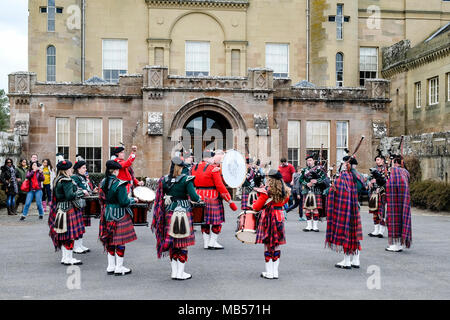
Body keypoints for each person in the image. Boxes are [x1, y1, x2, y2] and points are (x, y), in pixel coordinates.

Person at [152, 157, 204, 280]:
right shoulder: (186, 180)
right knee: (183, 244)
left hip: (169, 211)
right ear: (181, 167)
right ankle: (181, 273)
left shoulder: (164, 180)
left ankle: (174, 272)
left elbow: (160, 197)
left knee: (173, 244)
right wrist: (198, 197)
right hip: (184, 212)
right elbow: (194, 197)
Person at [191, 150, 238, 250]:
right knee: (216, 222)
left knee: (204, 221)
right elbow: (220, 186)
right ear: (210, 158)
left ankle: (206, 243)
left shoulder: (193, 168)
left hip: (199, 196)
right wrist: (230, 201)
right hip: (212, 197)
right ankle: (212, 243)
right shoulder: (213, 169)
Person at [99, 160, 138, 276]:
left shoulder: (103, 182)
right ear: (116, 171)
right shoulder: (120, 184)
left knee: (110, 240)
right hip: (120, 214)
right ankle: (119, 267)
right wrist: (133, 200)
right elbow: (124, 202)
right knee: (120, 241)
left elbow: (101, 198)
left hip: (107, 214)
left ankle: (111, 266)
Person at [48, 159, 88, 265]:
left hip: (60, 209)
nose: (71, 170)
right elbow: (70, 195)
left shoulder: (57, 179)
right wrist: (81, 192)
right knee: (69, 236)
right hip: (69, 209)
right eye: (70, 168)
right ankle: (69, 258)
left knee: (63, 235)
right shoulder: (66, 180)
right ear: (66, 170)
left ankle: (65, 258)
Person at [325, 156, 363, 269]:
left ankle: (346, 261)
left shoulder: (344, 176)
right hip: (354, 207)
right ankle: (356, 260)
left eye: (342, 163)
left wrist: (330, 190)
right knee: (353, 234)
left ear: (347, 164)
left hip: (344, 208)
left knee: (345, 234)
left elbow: (338, 190)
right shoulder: (357, 176)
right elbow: (361, 188)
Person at [252, 169, 290, 279]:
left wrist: (255, 202)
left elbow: (256, 207)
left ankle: (269, 272)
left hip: (268, 218)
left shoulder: (266, 192)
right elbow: (284, 202)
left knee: (267, 245)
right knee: (276, 244)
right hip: (279, 217)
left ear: (270, 179)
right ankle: (275, 272)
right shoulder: (286, 192)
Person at [385, 155, 412, 252]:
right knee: (402, 220)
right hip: (404, 200)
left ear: (394, 162)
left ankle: (396, 245)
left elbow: (390, 185)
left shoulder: (395, 171)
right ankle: (400, 243)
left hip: (395, 201)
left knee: (394, 221)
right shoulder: (405, 171)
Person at [71, 158, 97, 254]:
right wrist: (85, 191)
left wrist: (93, 189)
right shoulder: (74, 177)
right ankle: (75, 246)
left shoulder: (84, 177)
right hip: (78, 204)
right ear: (78, 169)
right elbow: (77, 189)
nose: (85, 169)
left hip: (84, 203)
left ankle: (80, 244)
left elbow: (87, 187)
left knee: (82, 225)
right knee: (78, 225)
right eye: (83, 168)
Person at [299, 154, 327, 232]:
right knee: (307, 209)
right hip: (307, 191)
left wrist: (316, 181)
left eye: (310, 160)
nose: (309, 162)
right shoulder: (304, 170)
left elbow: (324, 178)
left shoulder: (318, 169)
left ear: (313, 161)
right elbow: (300, 180)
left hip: (317, 190)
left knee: (315, 209)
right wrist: (306, 183)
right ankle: (308, 226)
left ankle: (315, 226)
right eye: (308, 161)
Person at [367, 152, 388, 238]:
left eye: (378, 160)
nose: (377, 161)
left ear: (383, 160)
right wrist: (369, 182)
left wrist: (379, 184)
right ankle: (376, 230)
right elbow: (369, 178)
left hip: (382, 192)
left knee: (381, 212)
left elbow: (386, 181)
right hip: (374, 192)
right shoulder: (374, 169)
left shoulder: (386, 169)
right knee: (374, 211)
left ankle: (381, 231)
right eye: (376, 160)